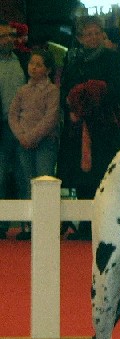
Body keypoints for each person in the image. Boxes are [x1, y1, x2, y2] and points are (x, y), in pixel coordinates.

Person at [57, 15, 120, 240]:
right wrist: (74, 104)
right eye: (88, 34)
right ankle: (86, 225)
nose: (94, 37)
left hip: (106, 127)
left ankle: (105, 224)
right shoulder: (73, 60)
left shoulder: (114, 59)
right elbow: (64, 90)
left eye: (97, 33)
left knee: (103, 176)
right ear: (79, 38)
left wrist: (92, 99)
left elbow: (117, 90)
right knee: (81, 178)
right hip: (78, 129)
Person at [8, 49, 60, 240]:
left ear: (47, 69)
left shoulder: (52, 90)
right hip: (23, 141)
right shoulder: (22, 90)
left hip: (44, 142)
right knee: (26, 182)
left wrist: (32, 137)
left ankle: (45, 226)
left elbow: (51, 117)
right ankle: (28, 226)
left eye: (39, 65)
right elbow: (13, 115)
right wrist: (21, 135)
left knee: (44, 181)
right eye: (32, 64)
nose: (34, 68)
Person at [0, 19, 26, 239]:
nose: (8, 40)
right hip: (1, 128)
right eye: (3, 36)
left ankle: (28, 225)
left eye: (10, 36)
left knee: (23, 175)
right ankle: (1, 225)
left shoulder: (23, 60)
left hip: (21, 127)